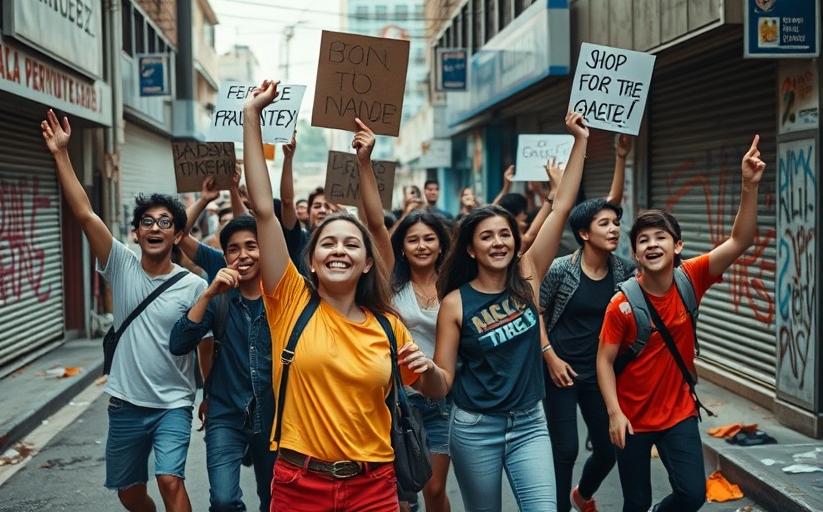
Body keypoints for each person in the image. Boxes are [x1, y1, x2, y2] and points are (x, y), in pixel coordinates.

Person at [242, 81, 422, 512]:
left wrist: (429, 369)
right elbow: (265, 210)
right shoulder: (288, 301)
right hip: (297, 483)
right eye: (328, 243)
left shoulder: (388, 324)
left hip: (375, 486)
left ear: (367, 263)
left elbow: (431, 386)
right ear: (310, 261)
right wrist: (251, 118)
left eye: (350, 245)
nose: (339, 250)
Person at [417, 111, 590, 511]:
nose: (499, 243)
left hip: (530, 422)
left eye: (505, 235)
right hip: (476, 428)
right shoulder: (456, 302)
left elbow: (561, 207)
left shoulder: (528, 273)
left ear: (515, 241)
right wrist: (424, 370)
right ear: (471, 249)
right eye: (487, 237)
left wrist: (579, 139)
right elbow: (441, 381)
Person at [41, 109, 207, 512]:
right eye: (146, 222)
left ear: (178, 235)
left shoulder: (194, 285)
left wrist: (211, 394)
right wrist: (62, 154)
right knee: (129, 493)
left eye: (165, 222)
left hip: (173, 405)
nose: (154, 228)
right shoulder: (121, 264)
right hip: (125, 405)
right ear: (136, 233)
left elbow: (205, 346)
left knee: (170, 480)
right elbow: (84, 212)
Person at [596, 136, 766, 512]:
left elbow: (741, 240)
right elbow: (604, 361)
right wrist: (614, 413)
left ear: (677, 247)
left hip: (679, 413)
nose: (652, 244)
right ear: (636, 253)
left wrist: (748, 187)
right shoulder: (621, 305)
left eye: (661, 237)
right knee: (635, 502)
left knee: (692, 495)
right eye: (643, 240)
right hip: (632, 418)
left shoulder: (692, 277)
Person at [540, 134, 634, 512]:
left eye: (616, 223)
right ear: (583, 233)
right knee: (564, 451)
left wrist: (620, 157)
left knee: (610, 448)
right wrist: (549, 356)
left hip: (601, 375)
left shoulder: (625, 271)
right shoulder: (561, 270)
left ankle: (582, 494)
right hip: (560, 373)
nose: (613, 229)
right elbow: (536, 312)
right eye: (604, 224)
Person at [170, 214, 277, 512]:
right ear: (225, 256)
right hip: (225, 415)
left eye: (251, 246)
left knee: (274, 500)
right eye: (233, 249)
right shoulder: (218, 299)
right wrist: (208, 293)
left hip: (274, 419)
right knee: (223, 501)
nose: (243, 255)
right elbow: (178, 344)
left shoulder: (284, 300)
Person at [388, 210, 453, 511]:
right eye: (413, 240)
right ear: (402, 247)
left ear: (441, 244)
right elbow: (376, 223)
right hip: (400, 400)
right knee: (402, 494)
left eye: (429, 238)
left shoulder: (456, 284)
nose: (422, 246)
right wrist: (363, 165)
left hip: (443, 399)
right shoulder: (391, 285)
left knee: (435, 489)